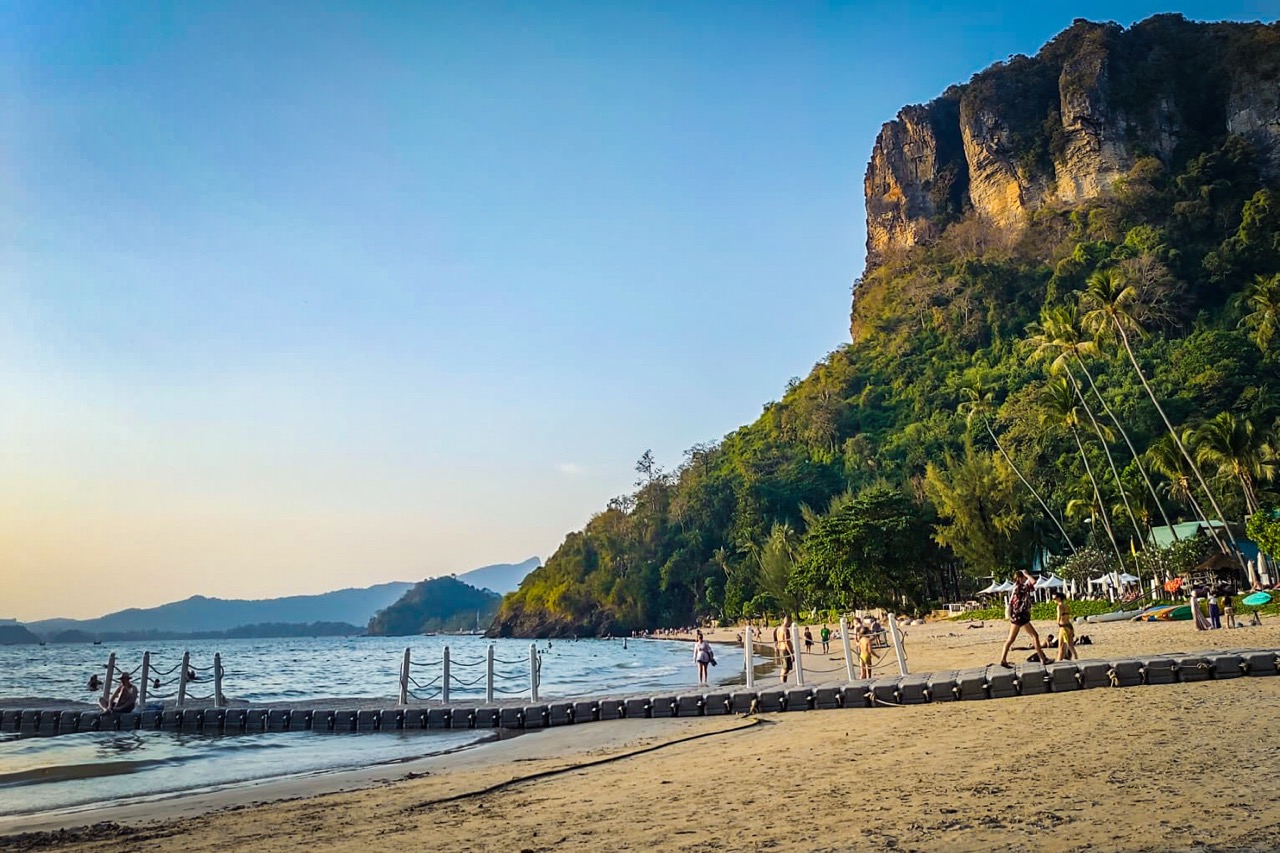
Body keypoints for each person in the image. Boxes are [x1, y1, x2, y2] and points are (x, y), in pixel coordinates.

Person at [999, 570, 1047, 669]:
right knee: (1035, 636)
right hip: (1021, 616)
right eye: (1024, 578)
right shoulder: (1020, 588)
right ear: (1020, 578)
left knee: (1010, 639)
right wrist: (1026, 573)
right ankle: (1042, 658)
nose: (1026, 580)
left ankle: (1003, 659)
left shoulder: (1015, 588)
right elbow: (1033, 582)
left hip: (1016, 616)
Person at [1053, 591, 1076, 661]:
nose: (1054, 600)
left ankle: (1059, 661)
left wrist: (1057, 622)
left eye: (1055, 598)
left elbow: (1059, 616)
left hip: (1063, 627)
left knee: (1061, 647)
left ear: (1059, 598)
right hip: (1069, 626)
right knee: (1071, 646)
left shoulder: (1059, 606)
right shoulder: (1067, 606)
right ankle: (1076, 658)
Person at [775, 616, 795, 683]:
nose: (791, 624)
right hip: (785, 650)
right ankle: (783, 682)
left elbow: (778, 640)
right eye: (791, 622)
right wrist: (791, 654)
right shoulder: (786, 630)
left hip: (780, 649)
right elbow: (786, 642)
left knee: (783, 668)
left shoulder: (779, 629)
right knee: (786, 668)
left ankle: (782, 682)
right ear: (788, 621)